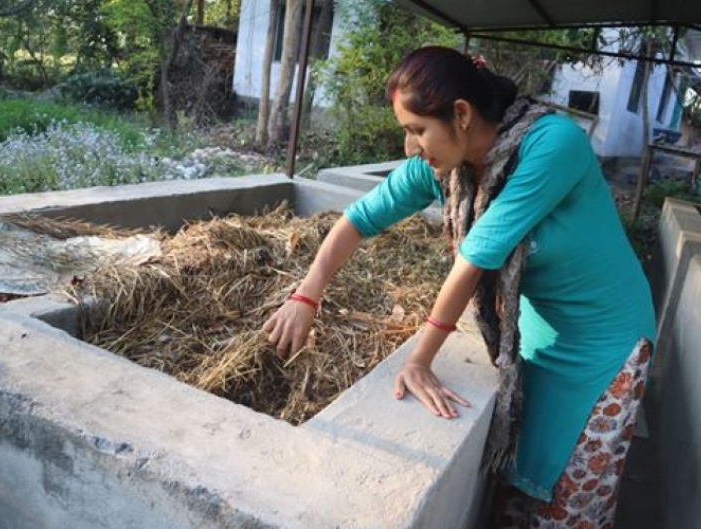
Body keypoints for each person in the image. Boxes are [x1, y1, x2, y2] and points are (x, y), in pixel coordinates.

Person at [262, 46, 656, 529]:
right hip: (534, 333)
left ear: (461, 114)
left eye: (416, 130)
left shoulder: (552, 145)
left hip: (604, 343)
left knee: (570, 501)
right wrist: (306, 296)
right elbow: (359, 219)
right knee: (517, 481)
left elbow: (478, 255)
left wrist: (419, 359)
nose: (411, 147)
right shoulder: (450, 170)